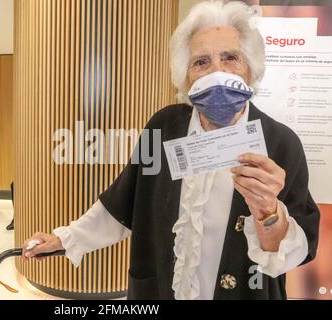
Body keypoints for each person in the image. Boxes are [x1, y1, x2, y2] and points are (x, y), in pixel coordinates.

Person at [22, 0, 320, 299]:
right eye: (201, 62)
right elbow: (123, 202)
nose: (216, 72)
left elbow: (296, 250)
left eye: (231, 57)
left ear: (251, 68)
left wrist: (269, 213)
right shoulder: (164, 127)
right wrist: (65, 238)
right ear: (185, 75)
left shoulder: (281, 143)